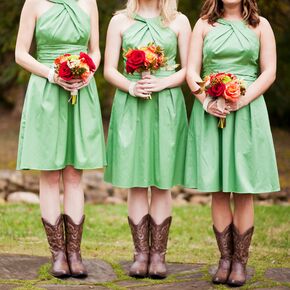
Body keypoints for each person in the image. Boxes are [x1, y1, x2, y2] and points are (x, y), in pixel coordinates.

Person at [184, 0, 280, 286]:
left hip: (247, 109)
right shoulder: (203, 25)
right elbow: (191, 71)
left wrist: (243, 99)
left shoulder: (261, 26)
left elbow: (269, 71)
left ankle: (240, 261)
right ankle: (224, 259)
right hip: (212, 110)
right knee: (217, 188)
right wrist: (206, 101)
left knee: (243, 189)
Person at [15, 0, 106, 278]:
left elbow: (95, 51)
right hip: (46, 90)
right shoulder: (34, 2)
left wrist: (89, 71)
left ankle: (75, 253)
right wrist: (52, 74)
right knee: (51, 174)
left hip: (81, 91)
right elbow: (21, 54)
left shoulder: (89, 2)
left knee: (74, 173)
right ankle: (57, 254)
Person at [104, 0, 191, 279]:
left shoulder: (179, 21)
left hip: (166, 105)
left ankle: (159, 256)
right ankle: (140, 254)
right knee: (137, 181)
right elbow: (108, 70)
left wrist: (162, 82)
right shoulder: (119, 21)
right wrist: (131, 86)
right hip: (132, 105)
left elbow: (189, 70)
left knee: (162, 182)